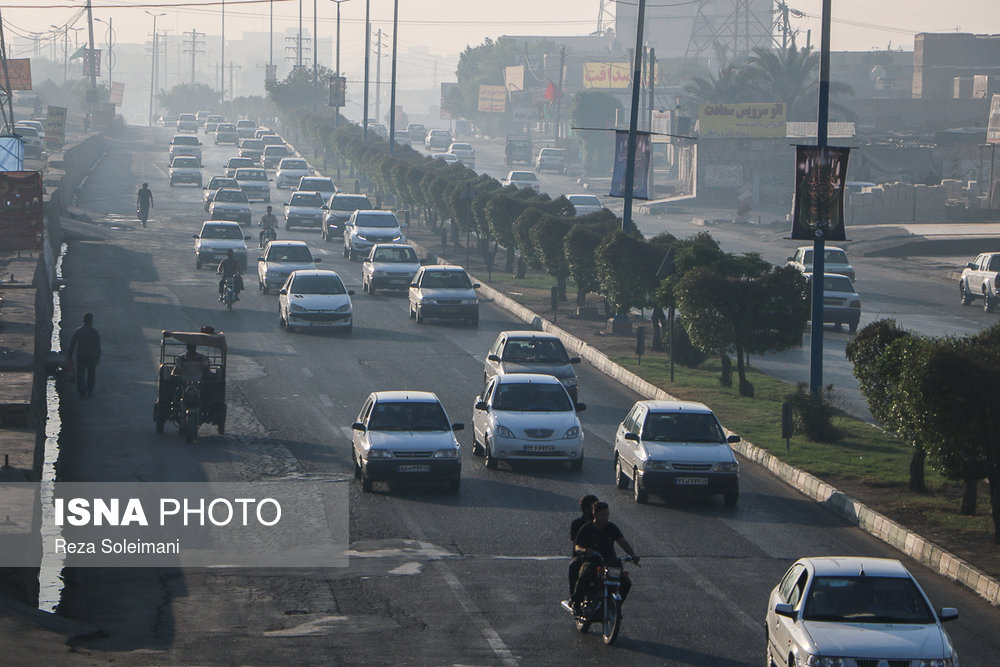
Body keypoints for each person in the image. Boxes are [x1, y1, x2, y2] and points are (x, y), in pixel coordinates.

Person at [569, 501, 640, 614]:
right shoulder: (586, 528)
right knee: (585, 575)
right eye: (603, 515)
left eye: (607, 514)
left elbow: (622, 541)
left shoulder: (611, 527)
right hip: (591, 561)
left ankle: (613, 606)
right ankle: (576, 603)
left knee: (625, 582)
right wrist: (585, 551)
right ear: (595, 515)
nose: (606, 517)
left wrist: (633, 555)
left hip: (610, 562)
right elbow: (577, 547)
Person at [568, 494, 599, 595]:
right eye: (593, 508)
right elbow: (575, 543)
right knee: (574, 566)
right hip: (582, 557)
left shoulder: (603, 523)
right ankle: (574, 598)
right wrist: (586, 551)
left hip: (601, 557)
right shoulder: (577, 524)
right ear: (586, 509)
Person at [67, 312, 101, 399]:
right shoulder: (94, 332)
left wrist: (69, 356)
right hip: (91, 356)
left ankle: (82, 392)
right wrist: (98, 357)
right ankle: (90, 391)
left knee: (81, 375)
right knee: (91, 374)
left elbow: (72, 344)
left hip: (81, 356)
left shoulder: (78, 331)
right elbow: (98, 346)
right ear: (90, 321)